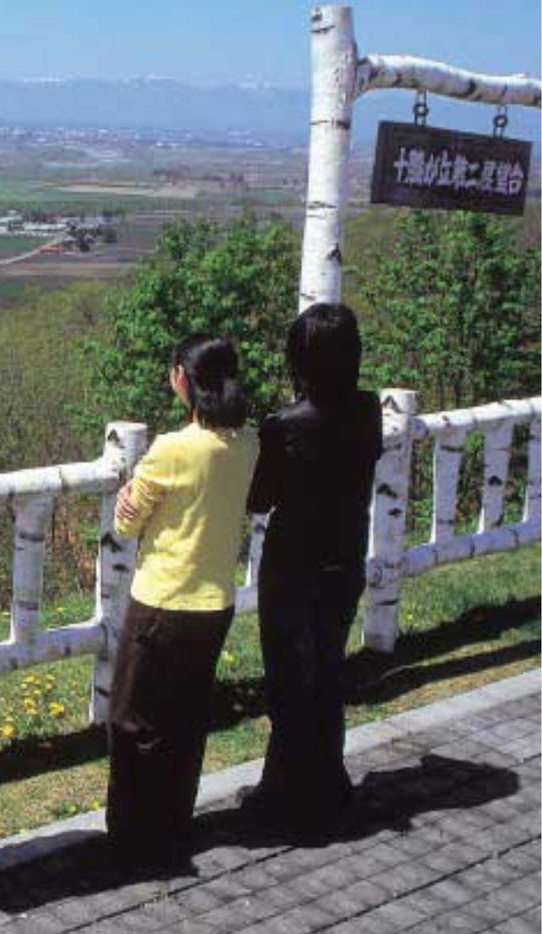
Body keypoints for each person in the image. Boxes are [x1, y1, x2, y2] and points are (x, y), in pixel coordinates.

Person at [107, 334, 257, 869]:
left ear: (181, 379)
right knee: (187, 719)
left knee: (132, 720)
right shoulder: (247, 443)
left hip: (162, 600)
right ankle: (172, 825)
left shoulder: (173, 448)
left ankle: (131, 838)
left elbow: (125, 523)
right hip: (214, 600)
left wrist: (130, 496)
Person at [242, 303, 382, 837]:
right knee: (326, 672)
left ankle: (284, 793)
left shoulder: (285, 424)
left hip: (293, 563)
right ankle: (327, 782)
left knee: (287, 681)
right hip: (345, 558)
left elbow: (260, 498)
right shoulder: (368, 409)